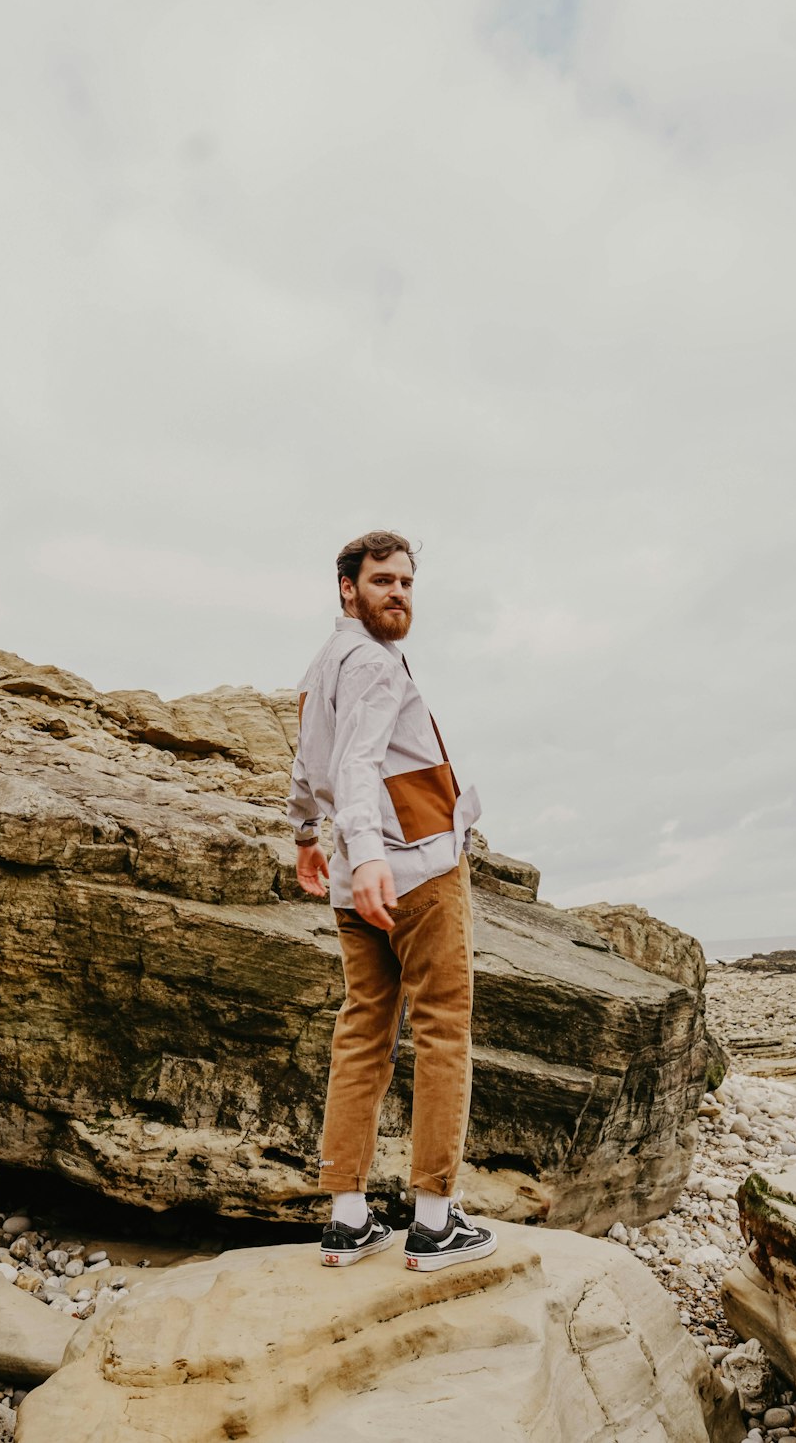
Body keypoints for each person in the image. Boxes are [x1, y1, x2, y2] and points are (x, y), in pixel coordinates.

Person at [287, 529, 496, 1271]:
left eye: (406, 581)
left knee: (364, 1030)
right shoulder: (374, 663)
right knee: (442, 1027)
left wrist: (308, 834)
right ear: (347, 588)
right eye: (382, 581)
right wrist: (372, 855)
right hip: (414, 868)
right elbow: (357, 761)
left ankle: (347, 1219)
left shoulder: (323, 663)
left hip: (353, 875)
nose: (398, 593)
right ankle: (435, 1223)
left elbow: (311, 761)